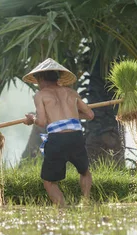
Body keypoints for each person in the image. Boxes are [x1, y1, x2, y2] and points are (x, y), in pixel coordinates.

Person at [22, 58, 95, 207]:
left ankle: (62, 209)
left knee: (48, 181)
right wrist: (71, 116)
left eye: (37, 80)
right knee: (85, 171)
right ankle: (86, 202)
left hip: (57, 139)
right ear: (57, 77)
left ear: (41, 78)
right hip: (76, 136)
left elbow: (41, 122)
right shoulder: (72, 92)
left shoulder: (40, 95)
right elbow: (90, 115)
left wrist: (31, 119)